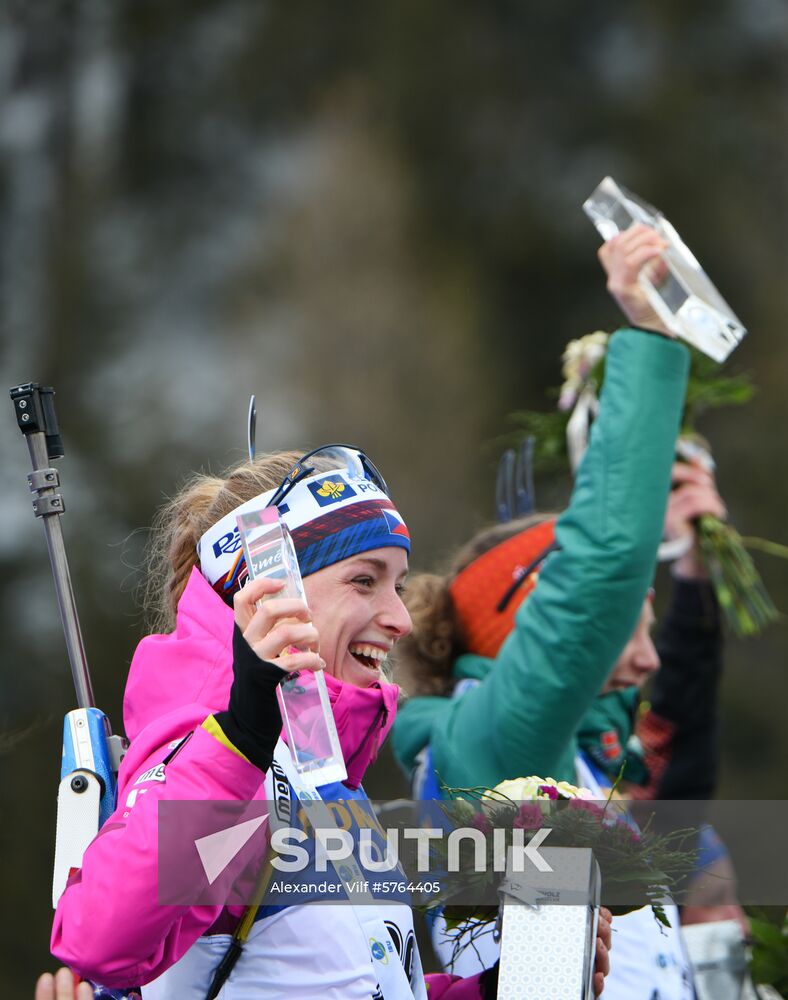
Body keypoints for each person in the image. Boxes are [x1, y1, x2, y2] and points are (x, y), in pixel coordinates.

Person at [49, 442, 611, 999]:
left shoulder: (321, 766)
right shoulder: (211, 749)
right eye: (364, 581)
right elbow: (99, 940)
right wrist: (242, 739)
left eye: (399, 585)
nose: (400, 619)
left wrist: (497, 987)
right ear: (267, 590)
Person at [391, 224, 701, 996]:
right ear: (531, 631)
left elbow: (691, 717)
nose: (645, 656)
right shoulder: (496, 742)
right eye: (627, 622)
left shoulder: (570, 752)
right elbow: (599, 571)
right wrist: (649, 339)